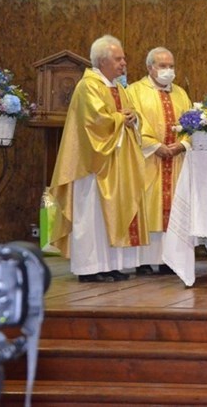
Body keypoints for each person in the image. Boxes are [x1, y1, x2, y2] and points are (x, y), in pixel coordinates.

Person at [48, 34, 148, 282]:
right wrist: (119, 119)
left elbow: (130, 114)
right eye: (118, 59)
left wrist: (133, 117)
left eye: (123, 58)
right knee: (91, 217)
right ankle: (89, 268)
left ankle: (108, 265)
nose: (124, 63)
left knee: (108, 217)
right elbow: (94, 122)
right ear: (102, 61)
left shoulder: (118, 88)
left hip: (115, 163)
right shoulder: (88, 86)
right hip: (92, 165)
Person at [127, 47, 192, 275]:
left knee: (174, 209)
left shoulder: (181, 94)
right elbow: (134, 124)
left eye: (171, 66)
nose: (168, 71)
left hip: (176, 162)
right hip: (148, 161)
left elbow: (191, 125)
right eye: (163, 66)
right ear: (150, 67)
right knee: (148, 208)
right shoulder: (134, 91)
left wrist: (182, 144)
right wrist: (155, 146)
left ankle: (169, 260)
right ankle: (144, 260)